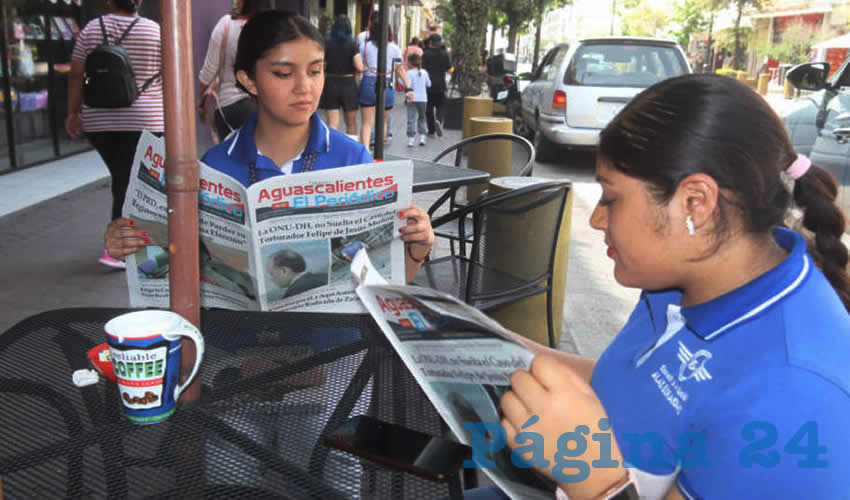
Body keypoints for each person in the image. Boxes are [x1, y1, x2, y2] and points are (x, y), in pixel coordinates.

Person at [469, 74, 850, 500]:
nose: (597, 218)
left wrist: (600, 482)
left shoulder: (794, 392)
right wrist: (486, 342)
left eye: (611, 198)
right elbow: (640, 383)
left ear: (695, 204)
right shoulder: (684, 279)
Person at [104, 10, 433, 286]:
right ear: (249, 81)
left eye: (316, 71)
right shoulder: (215, 166)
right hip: (234, 343)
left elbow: (384, 282)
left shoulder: (353, 159)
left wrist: (416, 248)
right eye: (283, 73)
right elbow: (184, 269)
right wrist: (130, 242)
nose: (305, 87)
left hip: (331, 347)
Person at [66, 0, 163, 269]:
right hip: (145, 118)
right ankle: (117, 250)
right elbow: (167, 77)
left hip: (100, 121)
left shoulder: (91, 29)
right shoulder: (154, 31)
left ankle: (132, 242)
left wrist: (73, 113)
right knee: (130, 182)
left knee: (124, 178)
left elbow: (76, 75)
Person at [197, 0, 259, 143]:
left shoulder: (226, 24)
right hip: (260, 107)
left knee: (228, 161)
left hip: (227, 105)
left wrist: (200, 101)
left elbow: (209, 70)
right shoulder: (267, 27)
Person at [357, 14, 412, 149]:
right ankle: (379, 153)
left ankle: (365, 153)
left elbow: (359, 68)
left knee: (366, 123)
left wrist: (356, 86)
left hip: (368, 84)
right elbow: (400, 70)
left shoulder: (365, 46)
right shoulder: (394, 48)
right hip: (387, 85)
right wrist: (408, 88)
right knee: (383, 121)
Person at [319, 15, 363, 136]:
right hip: (348, 84)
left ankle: (332, 149)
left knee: (332, 123)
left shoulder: (326, 42)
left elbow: (322, 64)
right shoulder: (352, 43)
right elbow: (359, 66)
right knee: (351, 123)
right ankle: (351, 149)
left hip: (331, 83)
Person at [422, 33, 451, 137]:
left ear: (431, 42)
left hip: (428, 85)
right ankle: (438, 120)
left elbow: (422, 68)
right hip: (441, 85)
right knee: (441, 106)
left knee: (428, 108)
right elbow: (448, 67)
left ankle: (431, 130)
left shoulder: (426, 54)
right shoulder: (444, 54)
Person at [405, 53, 430, 147]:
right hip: (423, 99)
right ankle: (422, 137)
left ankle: (411, 140)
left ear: (410, 63)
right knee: (422, 117)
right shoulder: (424, 72)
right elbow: (429, 84)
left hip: (411, 98)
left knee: (411, 119)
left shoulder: (408, 73)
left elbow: (406, 84)